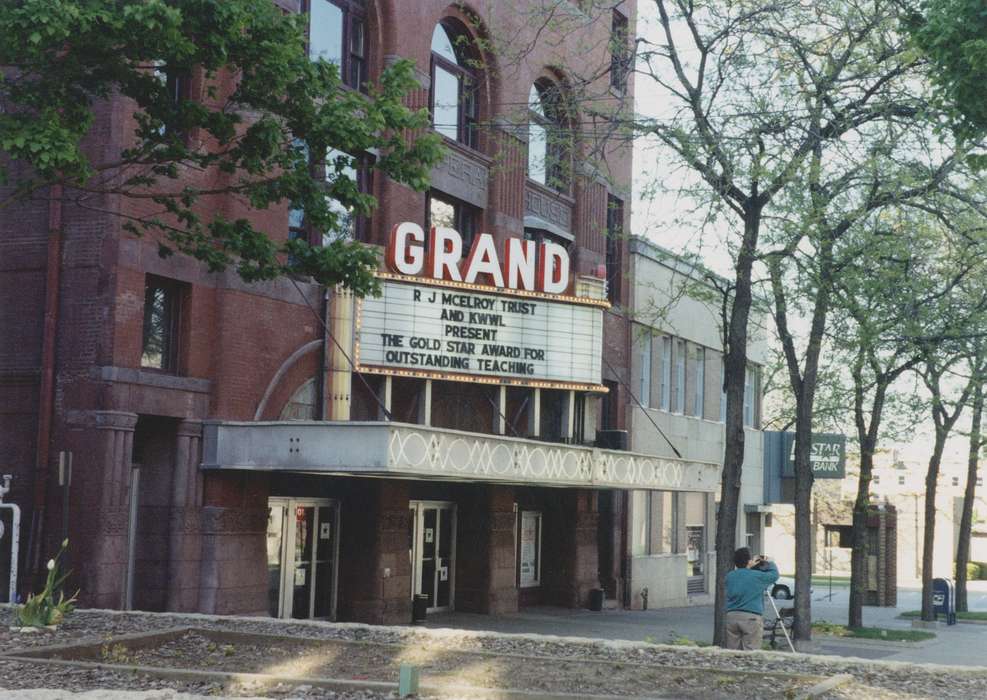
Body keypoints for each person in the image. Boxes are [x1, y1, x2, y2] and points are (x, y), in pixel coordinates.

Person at [724, 547, 779, 650]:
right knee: (751, 651)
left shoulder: (729, 576)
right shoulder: (757, 576)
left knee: (732, 651)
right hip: (750, 617)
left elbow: (743, 579)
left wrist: (750, 567)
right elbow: (774, 575)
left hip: (731, 616)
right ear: (749, 561)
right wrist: (770, 562)